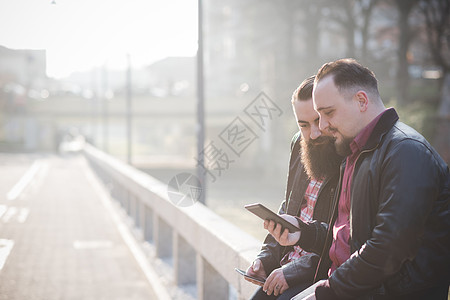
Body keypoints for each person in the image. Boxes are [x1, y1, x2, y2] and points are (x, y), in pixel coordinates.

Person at [267, 58, 450, 299]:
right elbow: (350, 240)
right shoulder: (357, 153)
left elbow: (388, 249)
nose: (322, 126)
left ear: (362, 101)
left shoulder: (406, 151)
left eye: (328, 113)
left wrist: (327, 291)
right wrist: (304, 232)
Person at [245, 76, 342, 299]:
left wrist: (293, 271)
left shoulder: (349, 156)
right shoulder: (299, 144)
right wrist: (265, 258)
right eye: (304, 125)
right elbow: (288, 209)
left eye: (318, 121)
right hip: (285, 266)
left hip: (318, 274)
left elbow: (343, 241)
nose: (314, 133)